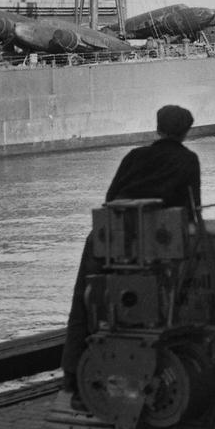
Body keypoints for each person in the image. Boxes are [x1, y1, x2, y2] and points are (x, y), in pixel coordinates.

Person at [60, 104, 201, 399]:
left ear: (158, 127)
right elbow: (191, 213)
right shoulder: (188, 160)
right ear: (186, 132)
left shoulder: (134, 156)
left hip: (109, 236)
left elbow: (111, 197)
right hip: (154, 245)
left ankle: (73, 378)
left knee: (85, 303)